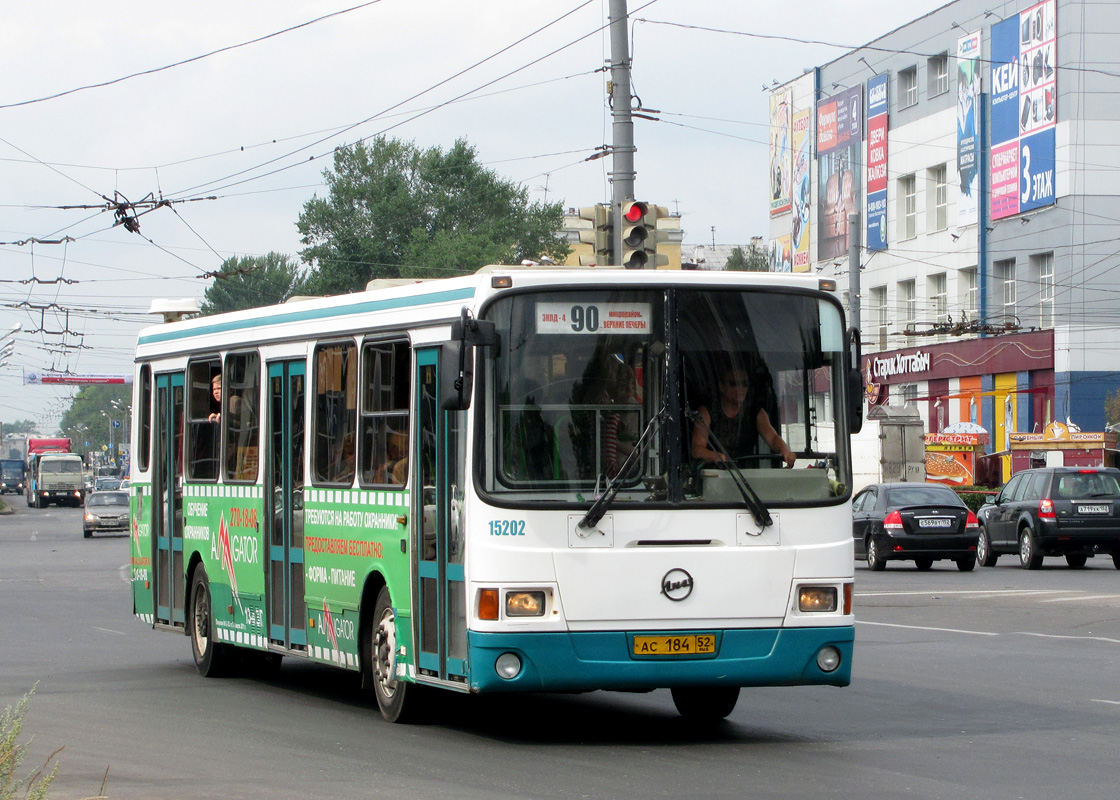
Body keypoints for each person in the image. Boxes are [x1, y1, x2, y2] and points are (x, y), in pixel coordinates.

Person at [691, 364, 795, 468]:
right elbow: (697, 449)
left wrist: (784, 450)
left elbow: (773, 438)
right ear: (721, 386)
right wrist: (714, 456)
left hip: (746, 478)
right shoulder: (706, 412)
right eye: (734, 384)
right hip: (714, 478)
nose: (740, 389)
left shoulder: (755, 412)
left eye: (744, 384)